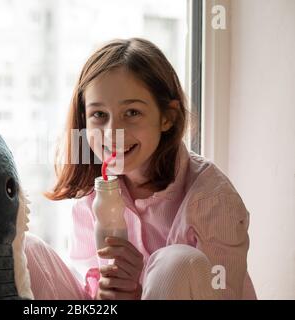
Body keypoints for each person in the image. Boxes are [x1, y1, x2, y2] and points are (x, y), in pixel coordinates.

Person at [27, 38, 256, 300]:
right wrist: (104, 292)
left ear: (167, 117)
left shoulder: (213, 199)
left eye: (132, 112)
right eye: (99, 115)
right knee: (23, 248)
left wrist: (137, 292)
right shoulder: (93, 193)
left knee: (175, 263)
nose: (112, 133)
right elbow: (87, 282)